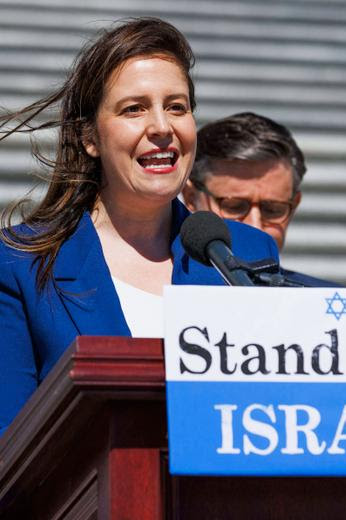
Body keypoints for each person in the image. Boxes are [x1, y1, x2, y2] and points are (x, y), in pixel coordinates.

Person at [0, 18, 278, 436]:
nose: (162, 128)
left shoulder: (246, 254)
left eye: (176, 107)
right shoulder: (22, 265)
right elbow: (11, 451)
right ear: (89, 137)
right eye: (134, 109)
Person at [182, 112, 338, 287]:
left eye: (272, 210)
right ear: (190, 198)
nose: (255, 226)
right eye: (234, 206)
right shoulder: (155, 297)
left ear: (294, 205)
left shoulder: (328, 305)